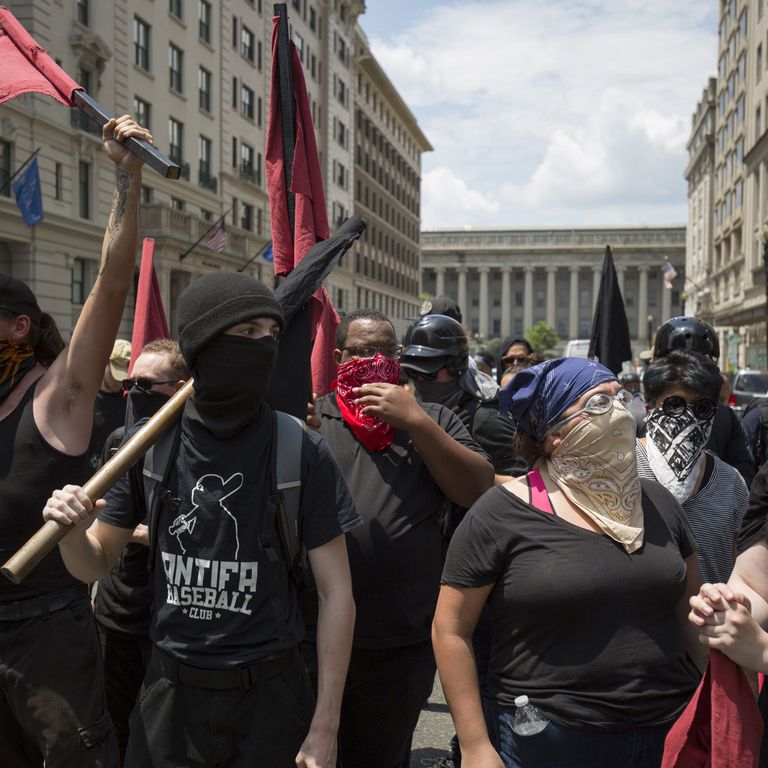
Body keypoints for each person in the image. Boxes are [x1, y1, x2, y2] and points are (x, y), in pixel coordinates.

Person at [42, 272, 360, 768]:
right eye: (248, 331)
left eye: (272, 333)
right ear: (204, 344)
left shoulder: (301, 449)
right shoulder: (146, 447)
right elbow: (95, 563)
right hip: (170, 699)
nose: (265, 345)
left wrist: (326, 725)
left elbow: (336, 592)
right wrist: (70, 533)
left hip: (271, 700)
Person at [433, 357, 704, 768]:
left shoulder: (659, 502)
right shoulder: (500, 513)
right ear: (554, 435)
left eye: (621, 398)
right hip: (551, 738)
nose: (618, 412)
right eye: (598, 403)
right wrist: (474, 745)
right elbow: (450, 629)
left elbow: (692, 616)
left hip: (669, 731)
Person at [0, 115, 151, 768]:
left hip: (46, 640)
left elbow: (111, 285)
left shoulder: (57, 394)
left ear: (18, 327)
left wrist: (126, 177)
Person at [309, 308, 494, 768]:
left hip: (401, 639)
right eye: (361, 352)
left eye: (385, 352)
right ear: (338, 357)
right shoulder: (314, 419)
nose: (374, 361)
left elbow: (476, 488)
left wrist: (417, 422)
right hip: (316, 633)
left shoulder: (431, 418)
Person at [92, 339, 189, 765]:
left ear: (181, 388)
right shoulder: (120, 442)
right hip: (117, 614)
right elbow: (100, 523)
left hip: (171, 621)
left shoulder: (195, 449)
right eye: (130, 384)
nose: (133, 393)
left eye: (146, 385)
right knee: (115, 726)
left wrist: (146, 533)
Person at [637, 350, 748, 584]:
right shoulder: (622, 468)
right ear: (650, 407)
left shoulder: (731, 483)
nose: (687, 417)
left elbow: (743, 573)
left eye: (702, 408)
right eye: (674, 404)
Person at [400, 313, 525, 479]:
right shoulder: (413, 411)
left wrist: (477, 477)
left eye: (429, 372)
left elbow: (525, 484)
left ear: (456, 365)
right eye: (412, 372)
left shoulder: (486, 421)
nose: (420, 379)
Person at [653, 316, 754, 486]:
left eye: (702, 408)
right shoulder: (637, 417)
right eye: (673, 404)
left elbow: (743, 476)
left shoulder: (725, 418)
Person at [86, 339, 132, 471]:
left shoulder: (130, 401)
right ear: (105, 363)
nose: (120, 381)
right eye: (116, 374)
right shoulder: (87, 399)